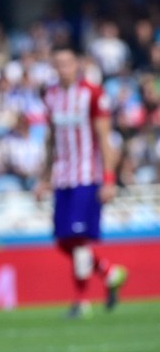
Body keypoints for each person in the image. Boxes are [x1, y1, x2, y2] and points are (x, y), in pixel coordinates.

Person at [36, 47, 128, 318]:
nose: (63, 68)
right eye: (58, 63)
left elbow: (104, 137)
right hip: (62, 177)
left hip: (87, 176)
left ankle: (81, 301)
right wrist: (44, 178)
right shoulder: (51, 95)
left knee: (76, 238)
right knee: (63, 240)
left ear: (77, 64)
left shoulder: (92, 93)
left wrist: (109, 179)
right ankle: (110, 272)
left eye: (67, 63)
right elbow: (51, 139)